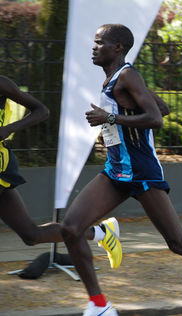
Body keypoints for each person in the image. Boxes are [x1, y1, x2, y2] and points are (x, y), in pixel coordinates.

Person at [59, 24, 182, 316]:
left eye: (99, 42)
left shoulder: (127, 74)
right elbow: (161, 107)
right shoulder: (116, 78)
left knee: (178, 242)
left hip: (142, 171)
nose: (93, 47)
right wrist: (118, 121)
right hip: (116, 170)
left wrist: (110, 117)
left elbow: (156, 119)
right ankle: (99, 305)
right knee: (71, 228)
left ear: (117, 48)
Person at [0, 75, 122, 271]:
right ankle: (101, 233)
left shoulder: (2, 84)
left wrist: (7, 129)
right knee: (31, 235)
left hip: (1, 166)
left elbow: (42, 111)